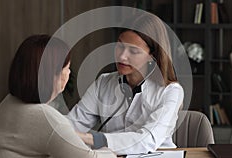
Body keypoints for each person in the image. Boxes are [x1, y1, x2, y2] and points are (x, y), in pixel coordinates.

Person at [0, 35, 116, 158]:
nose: (69, 73)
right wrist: (110, 153)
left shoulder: (9, 102)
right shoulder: (48, 120)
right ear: (55, 75)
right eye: (67, 67)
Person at [67, 14, 184, 155]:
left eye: (133, 51)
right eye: (120, 46)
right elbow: (72, 124)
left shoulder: (171, 91)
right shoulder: (104, 83)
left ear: (152, 55)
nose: (122, 56)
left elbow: (147, 140)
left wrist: (92, 139)